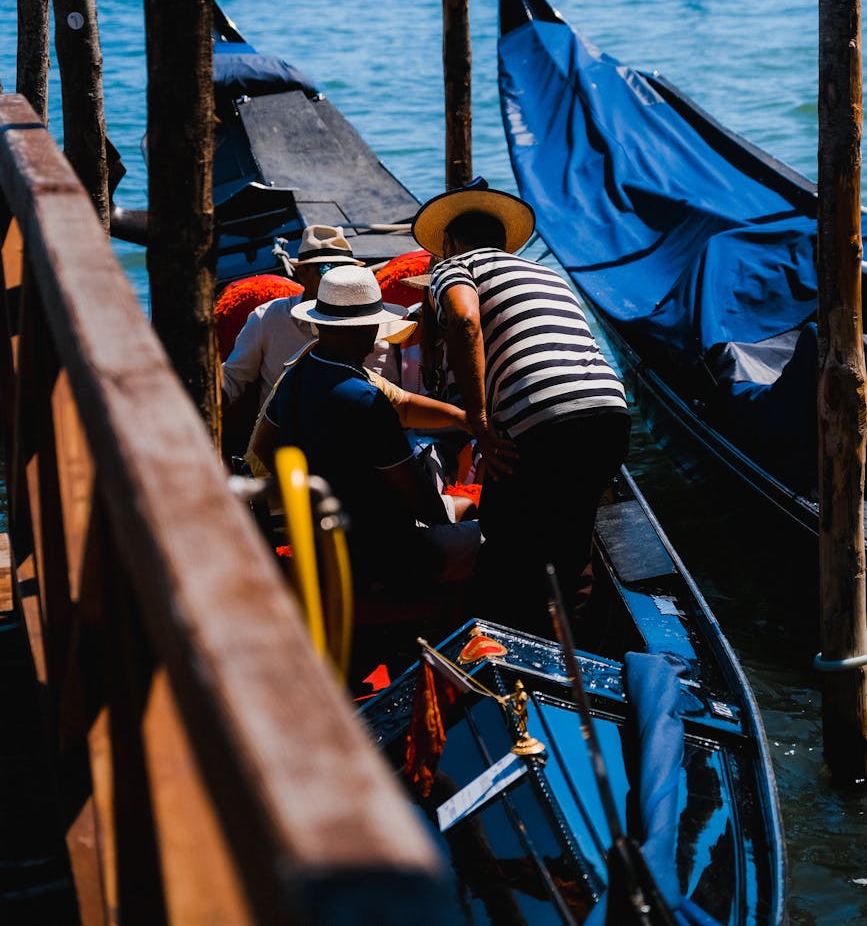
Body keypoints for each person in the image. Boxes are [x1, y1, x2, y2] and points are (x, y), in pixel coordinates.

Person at [412, 179, 630, 633]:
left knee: (504, 544)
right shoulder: (545, 274)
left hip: (543, 421)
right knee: (573, 548)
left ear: (449, 244)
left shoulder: (453, 267)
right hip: (611, 413)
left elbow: (464, 319)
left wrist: (479, 424)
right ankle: (578, 656)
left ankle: (510, 651)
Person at [251, 265, 481, 597]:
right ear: (364, 330)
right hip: (383, 554)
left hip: (328, 541)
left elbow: (263, 447)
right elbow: (422, 503)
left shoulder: (295, 377)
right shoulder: (365, 399)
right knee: (495, 540)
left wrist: (321, 491)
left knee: (464, 508)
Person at [221, 224, 398, 412]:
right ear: (302, 274)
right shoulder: (268, 318)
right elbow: (232, 379)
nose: (337, 279)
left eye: (345, 270)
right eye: (327, 269)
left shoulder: (370, 323)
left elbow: (389, 394)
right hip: (283, 427)